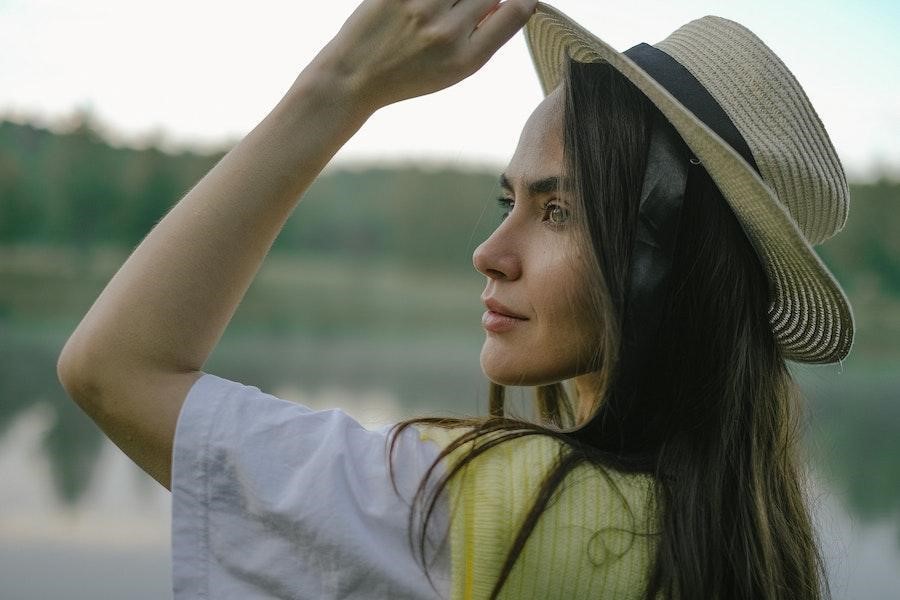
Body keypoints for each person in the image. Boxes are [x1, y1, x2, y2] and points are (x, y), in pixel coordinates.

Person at [56, 1, 854, 599]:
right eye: (506, 200)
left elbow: (113, 368)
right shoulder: (754, 542)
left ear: (667, 268)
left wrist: (339, 85)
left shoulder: (491, 510)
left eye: (558, 211)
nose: (489, 253)